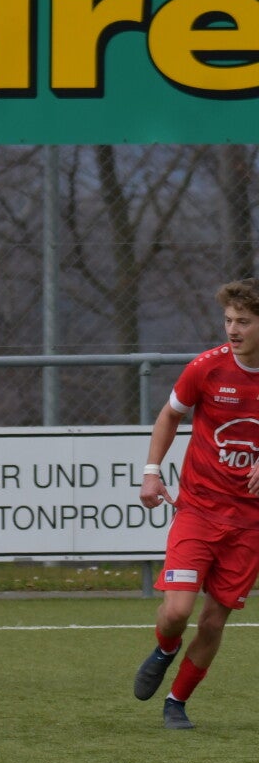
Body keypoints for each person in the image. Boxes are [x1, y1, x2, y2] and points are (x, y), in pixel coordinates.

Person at [132, 279, 259, 729]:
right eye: (228, 320)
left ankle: (176, 702)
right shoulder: (206, 367)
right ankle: (166, 648)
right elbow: (170, 415)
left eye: (244, 321)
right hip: (199, 511)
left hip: (249, 525)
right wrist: (151, 472)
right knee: (177, 612)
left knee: (212, 622)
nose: (233, 329)